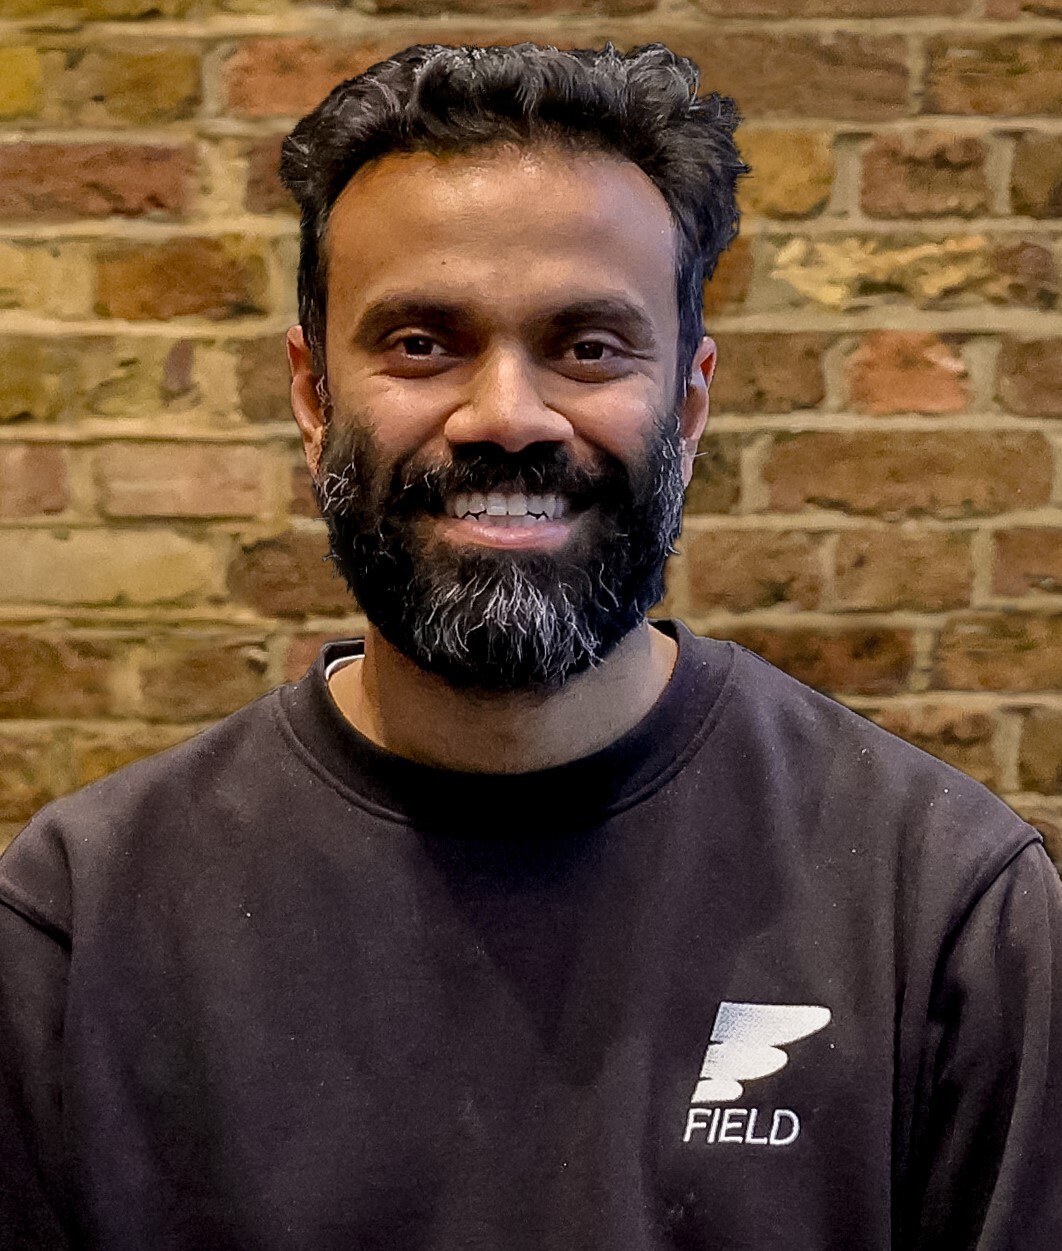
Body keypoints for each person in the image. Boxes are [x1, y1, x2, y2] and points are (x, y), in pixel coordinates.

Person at [0, 40, 1059, 1250]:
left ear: (691, 405)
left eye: (588, 346)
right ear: (312, 395)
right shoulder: (83, 922)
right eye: (420, 344)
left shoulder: (939, 906)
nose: (506, 414)